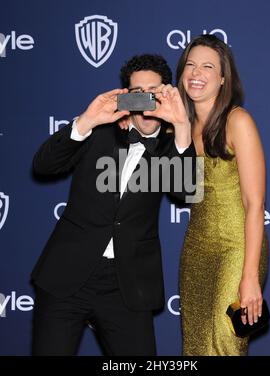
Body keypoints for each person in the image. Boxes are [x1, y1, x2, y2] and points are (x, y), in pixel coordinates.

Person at [31, 54, 195, 356]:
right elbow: (43, 165)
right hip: (66, 275)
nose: (145, 101)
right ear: (125, 97)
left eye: (154, 93)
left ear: (168, 94)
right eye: (136, 95)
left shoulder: (172, 149)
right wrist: (87, 120)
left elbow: (186, 193)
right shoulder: (98, 132)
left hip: (127, 286)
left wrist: (182, 123)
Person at [177, 35, 269, 355]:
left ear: (222, 78)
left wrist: (250, 276)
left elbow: (255, 204)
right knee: (197, 346)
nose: (196, 73)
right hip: (197, 250)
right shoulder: (179, 129)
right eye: (190, 65)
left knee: (225, 340)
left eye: (207, 66)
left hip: (238, 247)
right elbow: (167, 186)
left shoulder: (237, 121)